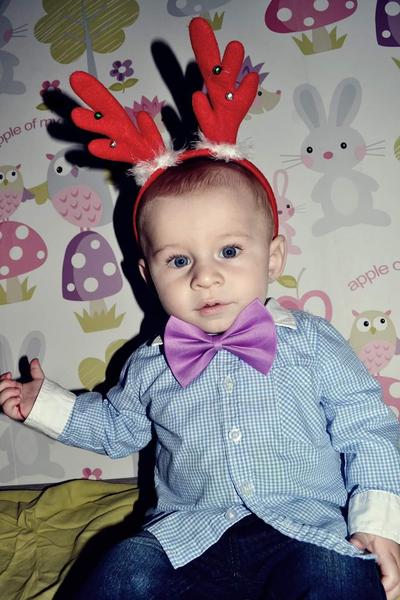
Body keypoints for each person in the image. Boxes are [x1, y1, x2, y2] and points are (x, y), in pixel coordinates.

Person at [1, 16, 400, 600]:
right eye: (179, 260)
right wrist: (45, 404)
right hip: (185, 540)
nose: (205, 276)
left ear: (273, 256)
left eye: (229, 251)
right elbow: (116, 428)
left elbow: (367, 427)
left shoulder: (312, 342)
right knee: (121, 570)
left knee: (341, 578)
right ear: (148, 275)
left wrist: (377, 523)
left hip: (303, 533)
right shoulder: (151, 362)